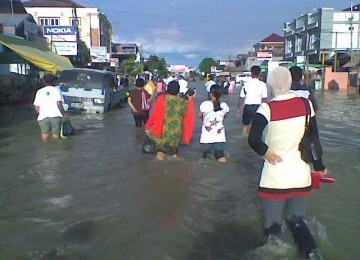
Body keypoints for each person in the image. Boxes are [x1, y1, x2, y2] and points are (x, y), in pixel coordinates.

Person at [248, 66, 328, 259]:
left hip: (274, 178)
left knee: (272, 228)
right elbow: (313, 139)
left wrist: (266, 152)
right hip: (301, 175)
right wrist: (319, 166)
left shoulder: (266, 109)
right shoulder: (306, 104)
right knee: (298, 222)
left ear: (270, 84)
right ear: (290, 82)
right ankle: (312, 252)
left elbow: (253, 139)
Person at [145, 81, 195, 161]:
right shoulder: (183, 102)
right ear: (178, 90)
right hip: (177, 132)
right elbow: (188, 117)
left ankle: (160, 169)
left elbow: (155, 114)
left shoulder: (162, 99)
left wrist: (148, 126)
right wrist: (190, 100)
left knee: (160, 152)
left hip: (163, 131)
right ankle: (175, 169)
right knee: (174, 152)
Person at [199, 85, 229, 163]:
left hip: (207, 136)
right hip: (219, 136)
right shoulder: (224, 106)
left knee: (206, 158)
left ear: (211, 94)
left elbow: (200, 115)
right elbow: (225, 116)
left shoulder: (205, 104)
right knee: (220, 156)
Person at [33, 73, 66, 142]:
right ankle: (56, 150)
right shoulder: (57, 90)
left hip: (43, 116)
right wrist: (63, 113)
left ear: (44, 81)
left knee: (44, 134)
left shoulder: (39, 91)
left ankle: (46, 149)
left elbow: (36, 106)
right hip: (55, 115)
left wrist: (41, 113)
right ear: (54, 81)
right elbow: (58, 103)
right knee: (56, 135)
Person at [236, 65, 267, 135]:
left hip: (247, 107)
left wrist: (239, 109)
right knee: (258, 126)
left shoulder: (246, 84)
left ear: (251, 73)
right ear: (260, 73)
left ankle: (243, 138)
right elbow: (264, 99)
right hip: (258, 107)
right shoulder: (263, 85)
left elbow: (241, 98)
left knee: (246, 124)